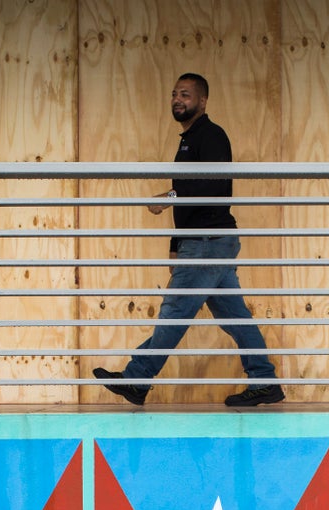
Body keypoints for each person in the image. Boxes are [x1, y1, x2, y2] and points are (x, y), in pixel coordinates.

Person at [93, 73, 284, 408]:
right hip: (205, 240)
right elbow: (189, 204)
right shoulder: (188, 141)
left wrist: (169, 195)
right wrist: (175, 245)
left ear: (203, 101)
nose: (178, 100)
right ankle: (264, 380)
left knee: (175, 314)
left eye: (185, 94)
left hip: (208, 241)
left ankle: (137, 379)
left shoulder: (210, 135)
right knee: (235, 318)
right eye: (174, 94)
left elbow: (209, 186)